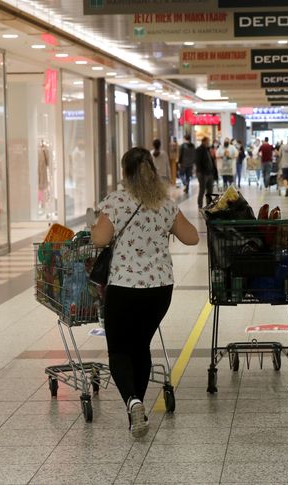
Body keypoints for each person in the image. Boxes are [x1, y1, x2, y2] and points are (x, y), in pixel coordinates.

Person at [91, 147, 199, 437]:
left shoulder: (117, 201)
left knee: (119, 349)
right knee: (141, 346)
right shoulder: (164, 203)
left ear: (125, 173)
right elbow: (192, 237)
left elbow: (99, 239)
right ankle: (136, 410)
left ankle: (133, 402)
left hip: (125, 287)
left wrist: (96, 225)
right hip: (160, 289)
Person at [195, 137, 216, 208]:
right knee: (202, 189)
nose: (208, 142)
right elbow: (198, 162)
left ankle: (209, 204)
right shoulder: (199, 149)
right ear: (203, 141)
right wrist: (201, 171)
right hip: (203, 173)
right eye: (207, 141)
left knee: (210, 190)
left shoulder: (208, 149)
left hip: (210, 173)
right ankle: (200, 204)